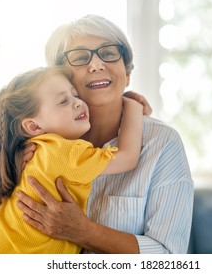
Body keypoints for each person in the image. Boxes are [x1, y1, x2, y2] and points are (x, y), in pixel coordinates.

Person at [17, 14, 194, 254]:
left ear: (127, 73)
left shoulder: (162, 143)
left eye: (109, 53)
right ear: (59, 79)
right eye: (80, 57)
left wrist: (84, 231)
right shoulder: (37, 145)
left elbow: (168, 257)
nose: (97, 64)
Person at [0, 66, 143, 253]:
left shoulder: (32, 154)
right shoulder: (64, 151)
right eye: (63, 101)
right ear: (34, 126)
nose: (77, 103)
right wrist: (133, 106)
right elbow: (127, 158)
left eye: (75, 95)